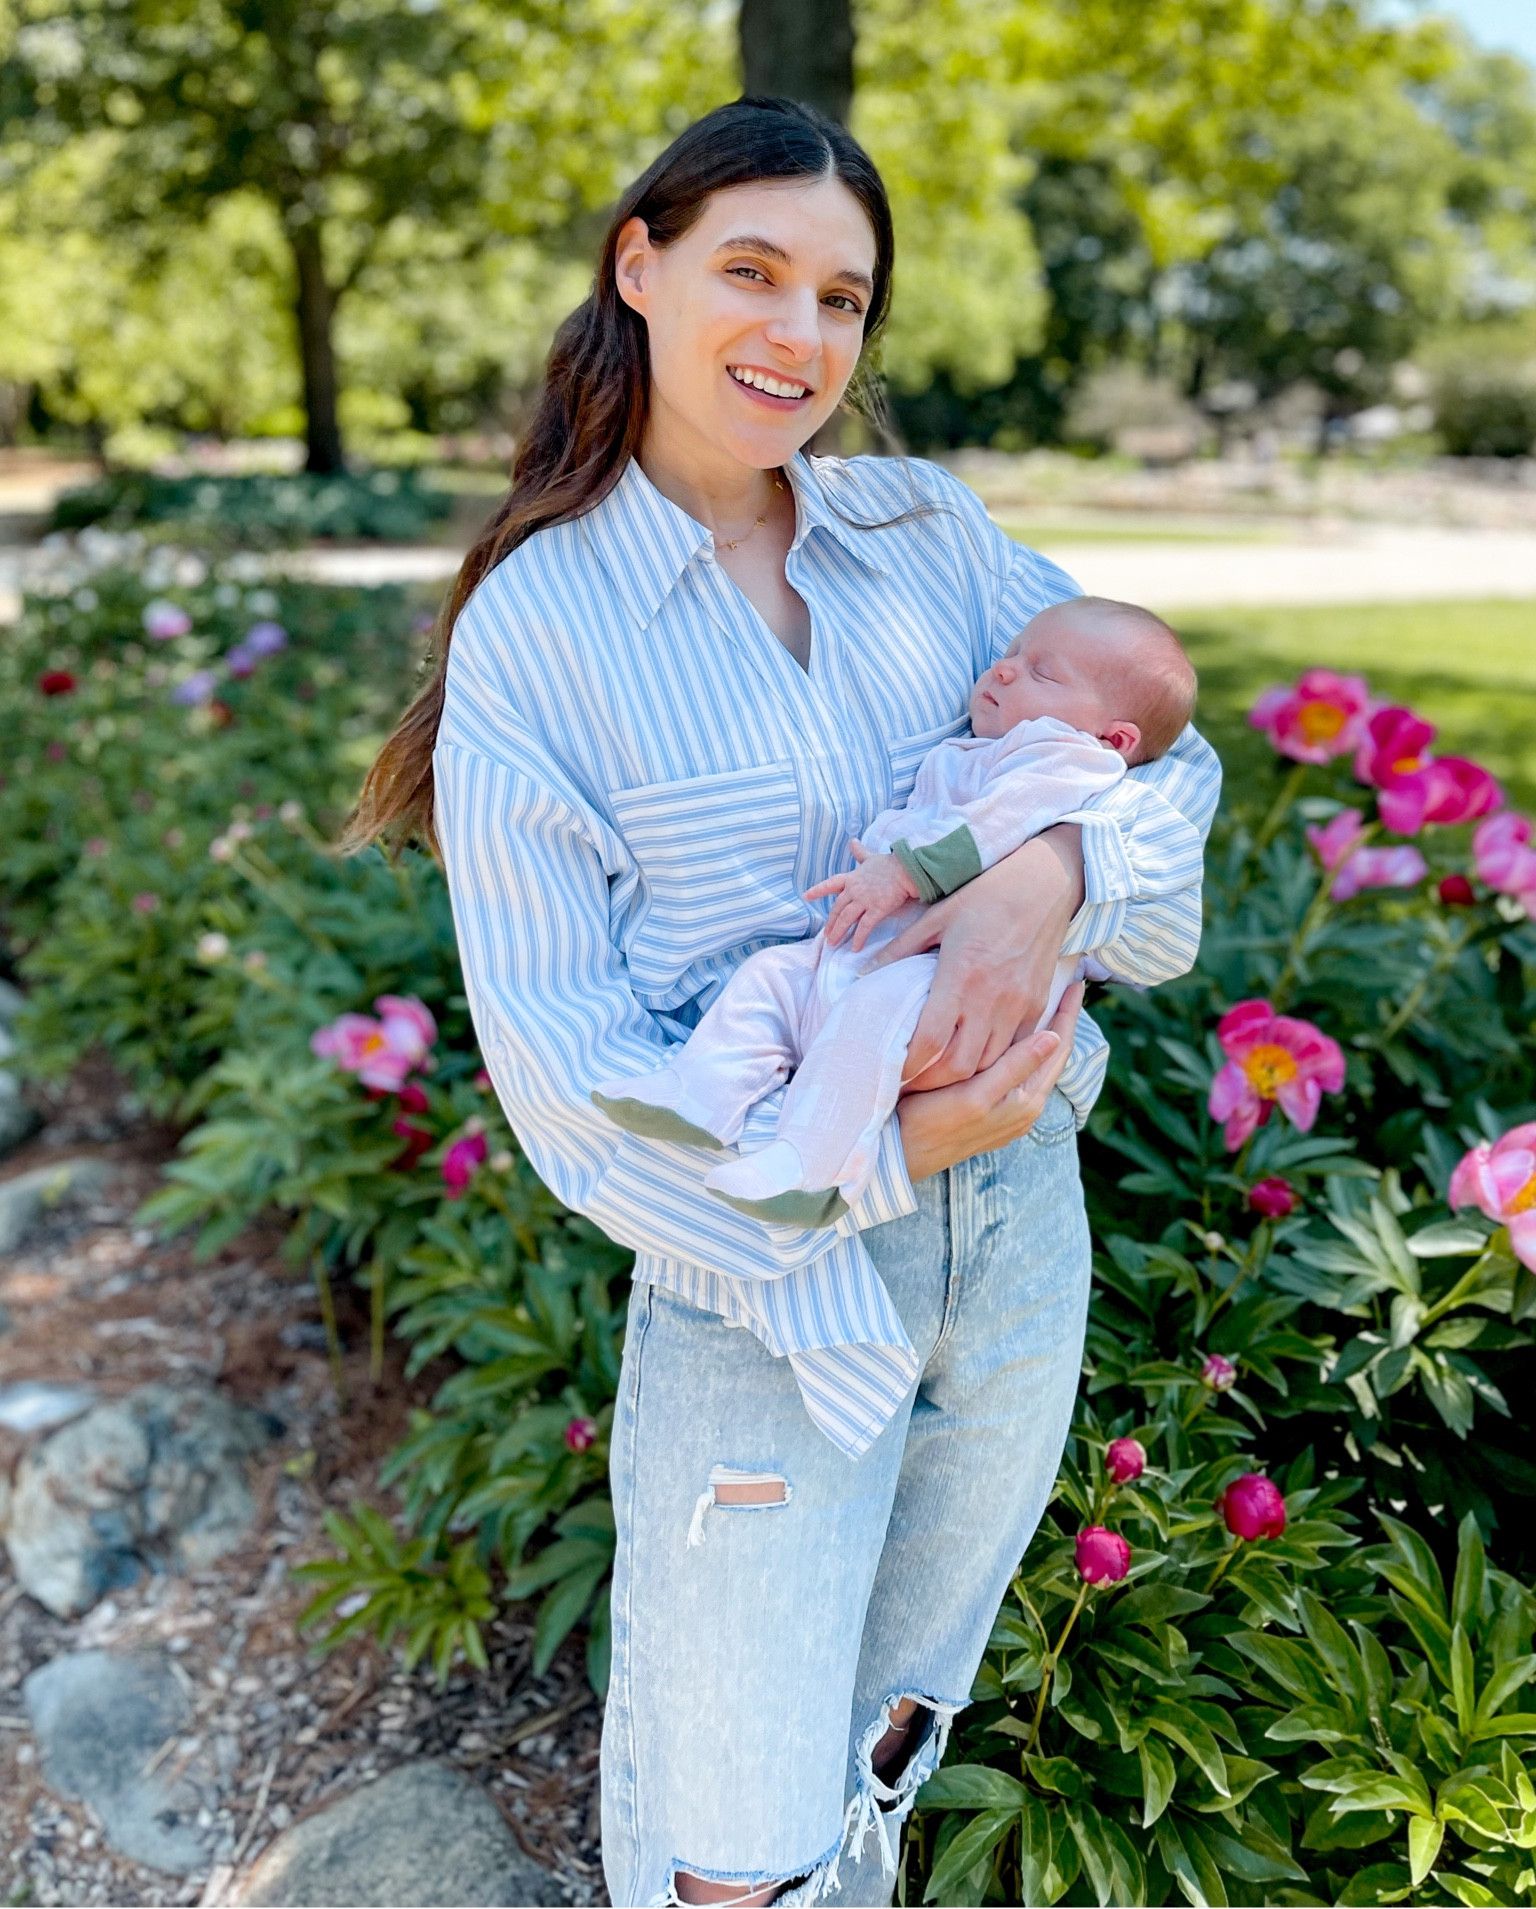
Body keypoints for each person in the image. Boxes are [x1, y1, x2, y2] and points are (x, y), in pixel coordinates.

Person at [349, 96, 1219, 1909]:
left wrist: (1046, 884)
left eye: (842, 297)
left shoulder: (929, 530)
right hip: (774, 1275)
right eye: (754, 272)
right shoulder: (543, 628)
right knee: (731, 1833)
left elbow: (1168, 764)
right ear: (639, 263)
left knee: (890, 1737)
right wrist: (892, 1146)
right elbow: (574, 1090)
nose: (800, 337)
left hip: (1019, 1241)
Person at [591, 598, 1197, 1226]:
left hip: (950, 984)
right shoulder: (990, 750)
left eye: (1043, 673)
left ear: (1114, 737)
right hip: (886, 952)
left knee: (866, 1021)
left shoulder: (1070, 761)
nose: (1006, 670)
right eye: (1012, 653)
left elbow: (999, 823)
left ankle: (814, 1165)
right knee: (773, 977)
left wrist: (906, 869)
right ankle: (703, 1092)